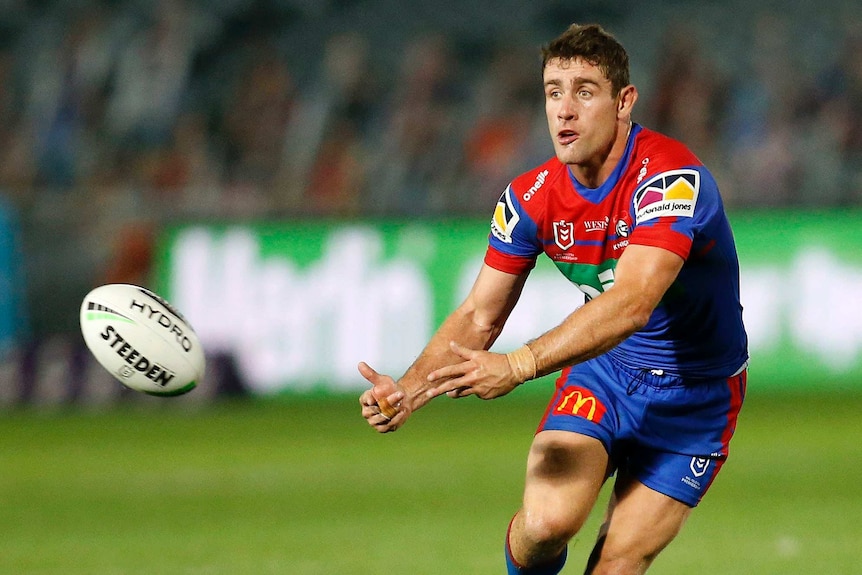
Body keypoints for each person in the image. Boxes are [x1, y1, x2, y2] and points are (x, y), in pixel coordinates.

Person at [358, 23, 748, 575]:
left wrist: (519, 365)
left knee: (616, 564)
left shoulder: (669, 180)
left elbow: (633, 302)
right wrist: (410, 390)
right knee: (545, 526)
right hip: (606, 373)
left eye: (585, 91)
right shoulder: (529, 198)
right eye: (553, 91)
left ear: (624, 102)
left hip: (698, 398)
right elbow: (478, 314)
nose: (564, 110)